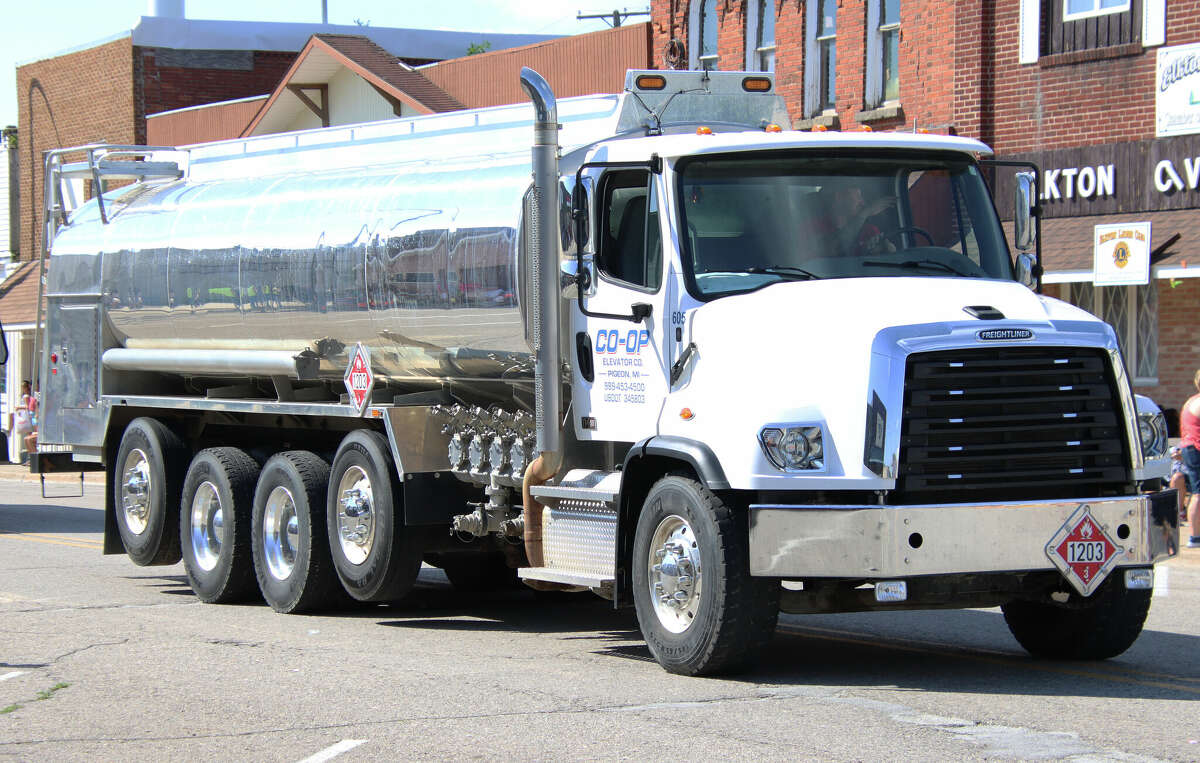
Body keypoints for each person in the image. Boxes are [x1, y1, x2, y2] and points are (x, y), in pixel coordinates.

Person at [810, 184, 896, 258]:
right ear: (839, 196)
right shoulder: (813, 227)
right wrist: (865, 213)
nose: (863, 203)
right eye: (858, 196)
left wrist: (885, 251)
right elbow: (832, 250)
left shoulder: (869, 230)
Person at [1182, 369, 1200, 548]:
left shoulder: (1191, 401)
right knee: (1198, 493)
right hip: (1196, 450)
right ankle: (1194, 536)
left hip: (1190, 448)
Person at [1169, 445, 1193, 523]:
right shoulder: (1184, 444)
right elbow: (1173, 454)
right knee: (1177, 478)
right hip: (1185, 476)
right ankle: (1180, 512)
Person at [12, 380, 34, 465]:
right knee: (28, 438)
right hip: (28, 418)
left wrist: (18, 407)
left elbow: (27, 406)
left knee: (29, 438)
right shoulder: (26, 395)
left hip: (27, 418)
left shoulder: (26, 396)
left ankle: (30, 458)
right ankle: (30, 458)